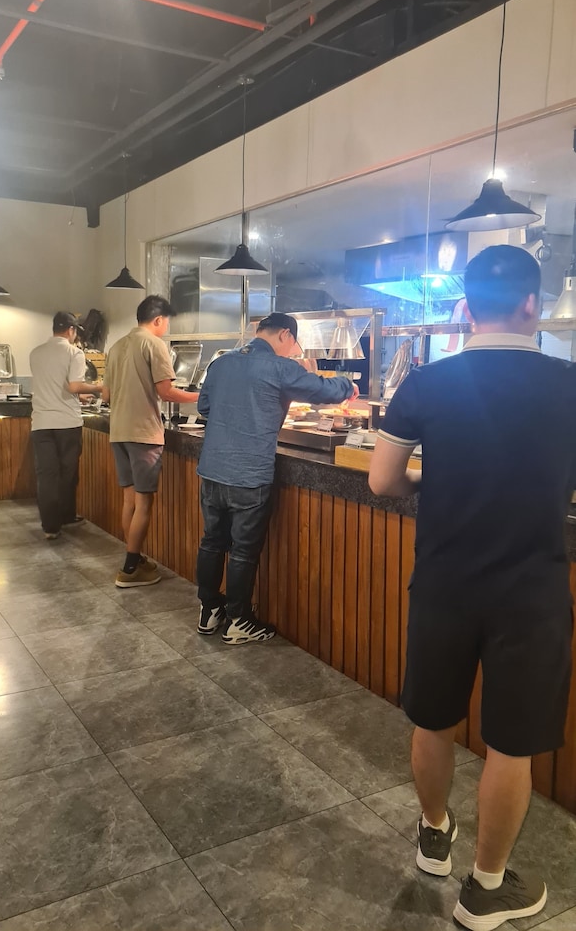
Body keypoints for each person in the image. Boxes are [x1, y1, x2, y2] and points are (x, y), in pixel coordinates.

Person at [368, 245, 576, 930]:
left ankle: (435, 835)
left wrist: (434, 481)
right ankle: (486, 889)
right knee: (511, 743)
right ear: (532, 304)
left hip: (445, 580)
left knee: (433, 719)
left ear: (465, 307)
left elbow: (382, 481)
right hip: (531, 590)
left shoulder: (428, 383)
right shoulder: (570, 384)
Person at [195, 312, 356, 644]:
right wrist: (348, 385)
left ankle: (209, 611)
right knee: (242, 551)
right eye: (293, 344)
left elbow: (205, 407)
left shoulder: (221, 363)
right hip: (249, 473)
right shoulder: (280, 367)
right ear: (285, 334)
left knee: (212, 542)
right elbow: (322, 390)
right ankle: (238, 621)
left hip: (213, 469)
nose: (292, 351)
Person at [102, 295, 199, 587]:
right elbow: (166, 392)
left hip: (118, 431)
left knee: (129, 500)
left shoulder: (116, 346)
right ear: (158, 319)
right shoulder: (154, 344)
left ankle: (136, 558)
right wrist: (204, 396)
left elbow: (106, 395)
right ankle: (130, 569)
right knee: (144, 502)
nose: (166, 327)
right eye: (166, 322)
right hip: (143, 433)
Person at [29, 311, 102, 540]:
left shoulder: (36, 353)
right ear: (71, 330)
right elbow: (74, 386)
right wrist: (98, 387)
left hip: (41, 423)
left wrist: (77, 395)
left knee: (47, 475)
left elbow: (53, 385)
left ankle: (50, 527)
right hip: (66, 423)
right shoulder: (74, 353)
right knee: (67, 473)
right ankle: (67, 515)